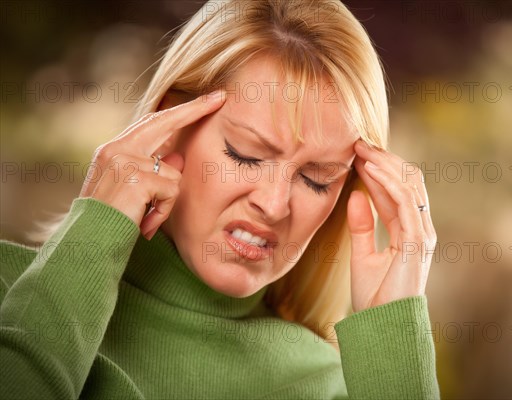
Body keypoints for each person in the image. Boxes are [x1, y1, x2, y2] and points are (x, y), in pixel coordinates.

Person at [0, 0, 439, 398]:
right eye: (244, 155)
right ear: (169, 122)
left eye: (317, 180)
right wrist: (90, 241)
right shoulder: (11, 297)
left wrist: (394, 346)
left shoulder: (328, 386)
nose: (273, 204)